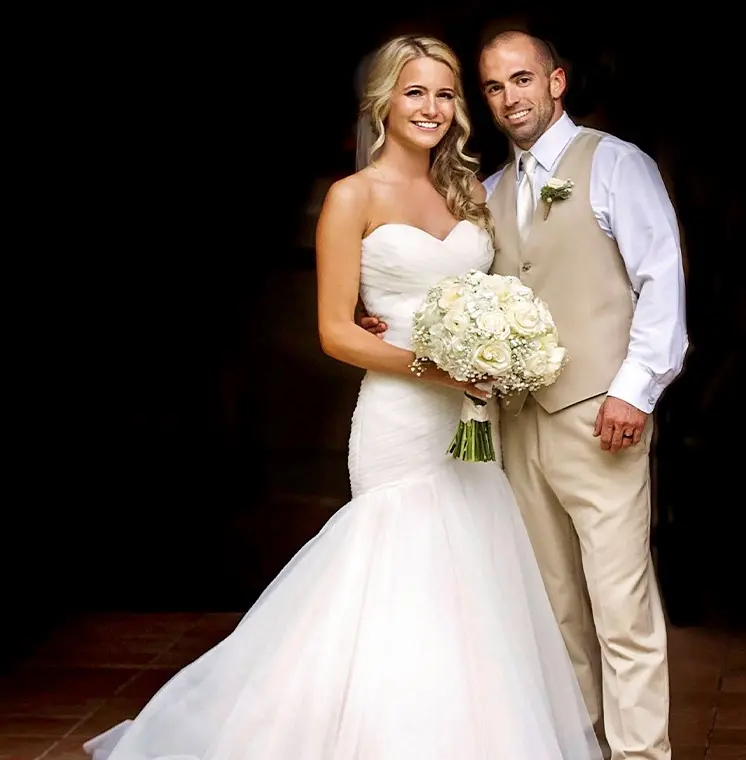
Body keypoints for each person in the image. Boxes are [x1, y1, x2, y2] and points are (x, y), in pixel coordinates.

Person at [82, 35, 602, 760]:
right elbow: (335, 331)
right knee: (395, 585)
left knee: (470, 592)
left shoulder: (467, 192)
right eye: (415, 91)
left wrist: (503, 349)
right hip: (400, 422)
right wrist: (438, 368)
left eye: (446, 93)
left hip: (472, 431)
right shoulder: (350, 197)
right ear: (383, 102)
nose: (432, 107)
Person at [367, 29, 688, 760]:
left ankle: (642, 757)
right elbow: (451, 293)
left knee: (621, 612)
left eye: (522, 79)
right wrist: (387, 320)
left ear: (556, 82)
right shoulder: (485, 193)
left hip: (601, 419)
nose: (509, 97)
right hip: (516, 427)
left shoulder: (615, 164)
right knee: (554, 613)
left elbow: (661, 284)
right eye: (492, 85)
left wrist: (634, 394)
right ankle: (576, 749)